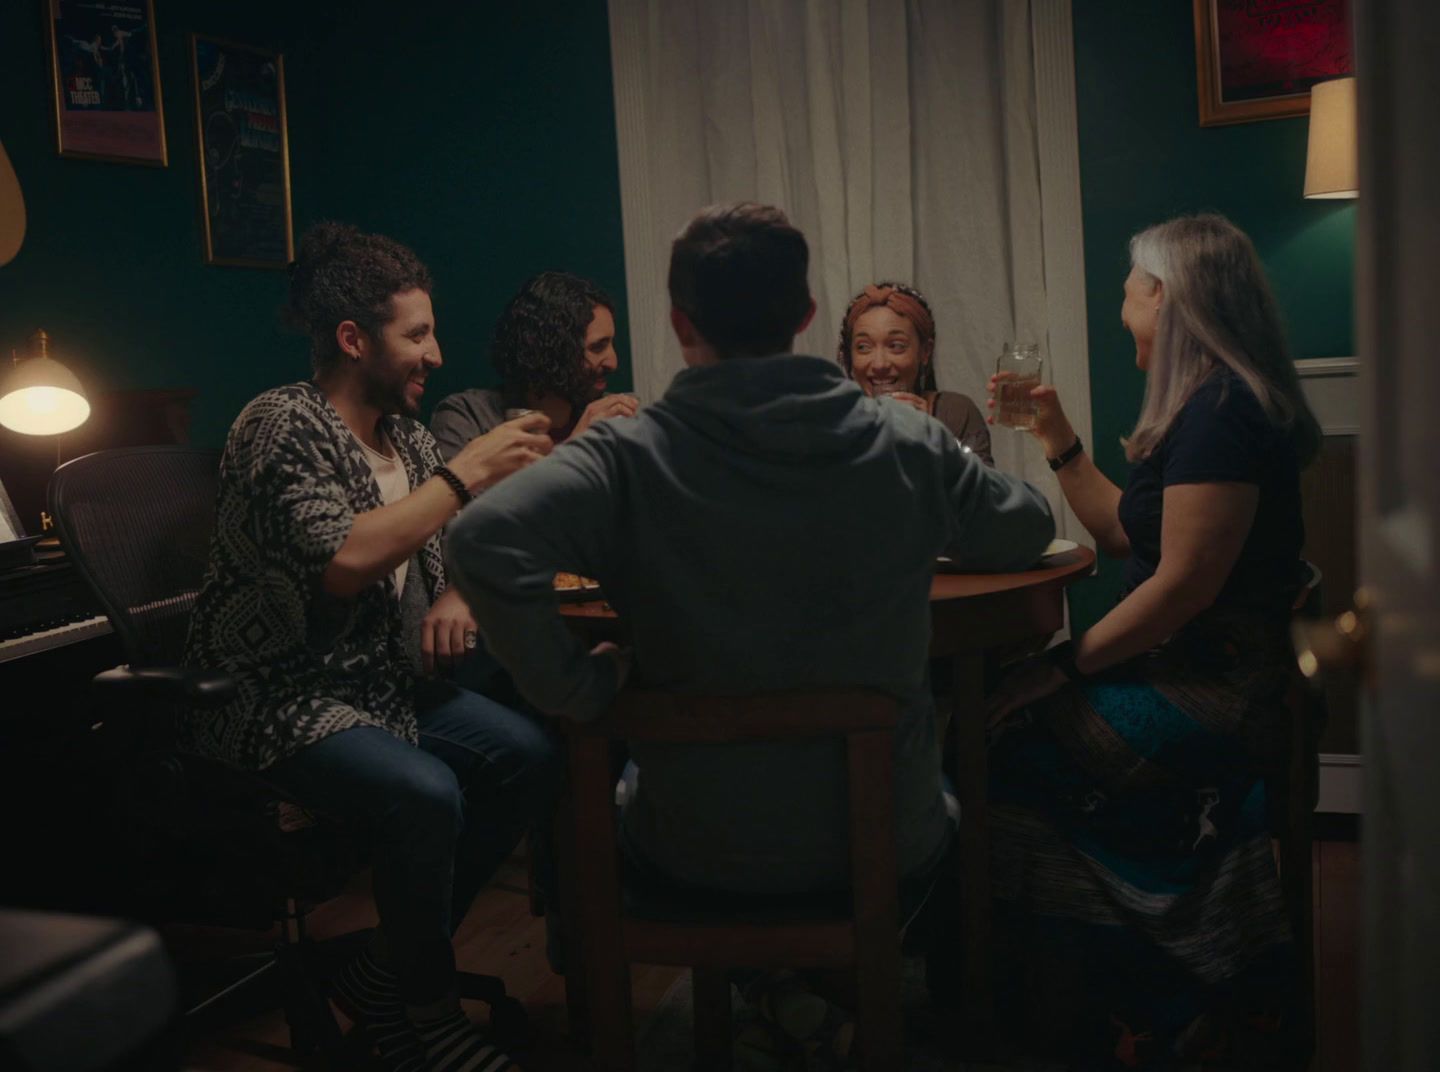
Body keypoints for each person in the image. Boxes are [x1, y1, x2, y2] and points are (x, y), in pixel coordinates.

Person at [444, 194, 1052, 949]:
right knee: (950, 803)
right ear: (805, 313)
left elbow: (479, 539)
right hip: (885, 840)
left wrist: (578, 686)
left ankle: (761, 1002)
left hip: (690, 849)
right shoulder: (904, 440)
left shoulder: (625, 456)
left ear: (678, 323)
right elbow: (1028, 526)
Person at [183, 222, 559, 1072]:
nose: (435, 352)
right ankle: (419, 1021)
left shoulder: (409, 440)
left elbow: (460, 543)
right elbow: (347, 559)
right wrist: (468, 473)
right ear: (355, 339)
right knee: (424, 794)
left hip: (377, 689)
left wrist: (456, 590)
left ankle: (382, 969)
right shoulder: (279, 423)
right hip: (274, 695)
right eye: (417, 334)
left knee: (531, 755)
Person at [979, 213, 1322, 1068]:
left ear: (1166, 299)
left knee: (1005, 741)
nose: (1121, 312)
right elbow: (1131, 538)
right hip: (1194, 662)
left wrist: (1065, 666)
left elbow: (1182, 589)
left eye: (1129, 294)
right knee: (1001, 725)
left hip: (1217, 685)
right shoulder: (1206, 402)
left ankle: (1144, 990)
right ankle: (1079, 982)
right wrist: (1053, 436)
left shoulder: (1222, 410)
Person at [430, 270, 637, 459]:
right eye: (597, 347)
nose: (613, 362)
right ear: (552, 349)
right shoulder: (468, 418)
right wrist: (577, 447)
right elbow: (462, 500)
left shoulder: (607, 418)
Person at [837, 281, 993, 464]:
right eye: (863, 347)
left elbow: (984, 491)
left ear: (925, 352)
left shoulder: (955, 413)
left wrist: (931, 442)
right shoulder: (833, 423)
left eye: (896, 346)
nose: (879, 364)